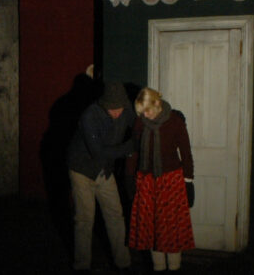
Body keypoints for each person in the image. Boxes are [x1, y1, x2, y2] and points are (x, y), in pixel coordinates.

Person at [66, 81, 136, 273]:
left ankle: (123, 263)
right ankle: (82, 266)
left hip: (104, 170)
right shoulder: (89, 116)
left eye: (120, 108)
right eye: (112, 109)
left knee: (115, 215)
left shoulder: (126, 109)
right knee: (84, 219)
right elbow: (98, 152)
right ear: (104, 104)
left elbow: (138, 125)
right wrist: (130, 147)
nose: (117, 113)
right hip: (82, 170)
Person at [126, 87, 195, 272]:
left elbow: (186, 153)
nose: (144, 116)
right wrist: (130, 177)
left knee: (171, 228)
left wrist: (188, 181)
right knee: (151, 228)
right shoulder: (140, 123)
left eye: (147, 111)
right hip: (147, 181)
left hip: (171, 181)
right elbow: (134, 152)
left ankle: (174, 267)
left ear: (157, 104)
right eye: (141, 112)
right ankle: (158, 267)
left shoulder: (175, 121)